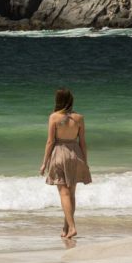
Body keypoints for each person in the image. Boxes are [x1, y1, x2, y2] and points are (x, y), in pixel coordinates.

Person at [39, 87, 92, 238]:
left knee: (64, 193)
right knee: (72, 194)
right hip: (76, 154)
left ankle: (73, 227)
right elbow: (82, 142)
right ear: (71, 100)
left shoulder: (54, 117)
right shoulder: (79, 118)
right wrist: (85, 162)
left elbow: (50, 141)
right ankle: (66, 227)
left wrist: (44, 163)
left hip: (59, 154)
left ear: (58, 100)